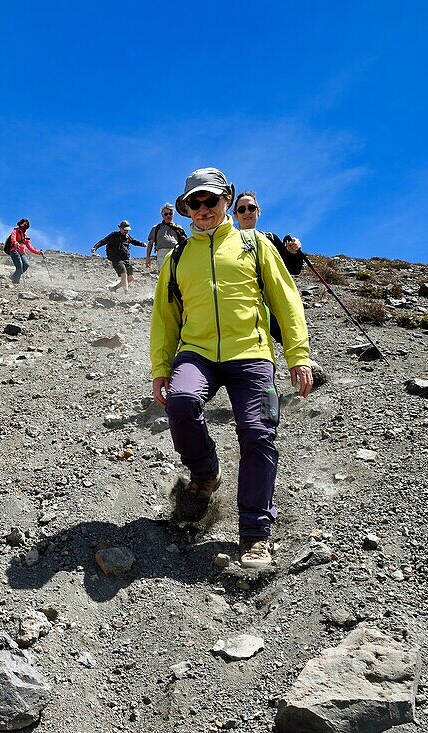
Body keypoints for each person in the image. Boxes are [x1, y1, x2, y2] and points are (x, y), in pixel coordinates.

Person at [150, 167, 313, 569]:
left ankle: (256, 535)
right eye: (194, 203)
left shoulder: (255, 244)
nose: (202, 209)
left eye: (210, 200)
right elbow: (165, 318)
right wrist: (160, 366)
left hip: (251, 353)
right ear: (186, 209)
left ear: (227, 198)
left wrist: (298, 354)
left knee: (258, 435)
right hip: (197, 351)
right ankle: (206, 474)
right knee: (182, 400)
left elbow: (285, 299)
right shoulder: (176, 258)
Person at [232, 190, 305, 344]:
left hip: (269, 298)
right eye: (241, 209)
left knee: (282, 334)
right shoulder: (228, 241)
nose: (247, 212)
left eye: (251, 208)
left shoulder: (269, 238)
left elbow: (293, 268)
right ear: (235, 215)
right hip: (241, 302)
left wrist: (293, 252)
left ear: (258, 212)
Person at [91, 220, 144, 293]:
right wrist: (95, 247)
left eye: (127, 230)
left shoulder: (128, 237)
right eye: (125, 230)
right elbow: (103, 241)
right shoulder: (114, 235)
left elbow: (134, 241)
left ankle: (114, 288)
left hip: (126, 259)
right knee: (124, 273)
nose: (126, 231)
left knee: (131, 278)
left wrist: (142, 244)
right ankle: (126, 293)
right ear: (120, 228)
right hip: (116, 258)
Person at [146, 203, 188, 271]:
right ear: (162, 216)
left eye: (170, 213)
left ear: (173, 214)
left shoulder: (178, 228)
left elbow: (184, 242)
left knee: (177, 273)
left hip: (176, 252)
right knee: (164, 274)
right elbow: (150, 243)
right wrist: (148, 257)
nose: (168, 215)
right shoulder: (156, 228)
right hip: (162, 252)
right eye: (166, 214)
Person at [5, 219, 41, 284]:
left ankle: (13, 276)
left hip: (22, 253)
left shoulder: (25, 237)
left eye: (26, 225)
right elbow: (13, 238)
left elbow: (30, 247)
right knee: (19, 267)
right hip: (14, 250)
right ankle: (15, 282)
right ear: (20, 224)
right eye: (24, 224)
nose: (25, 226)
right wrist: (15, 243)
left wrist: (38, 252)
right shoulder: (15, 231)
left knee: (26, 265)